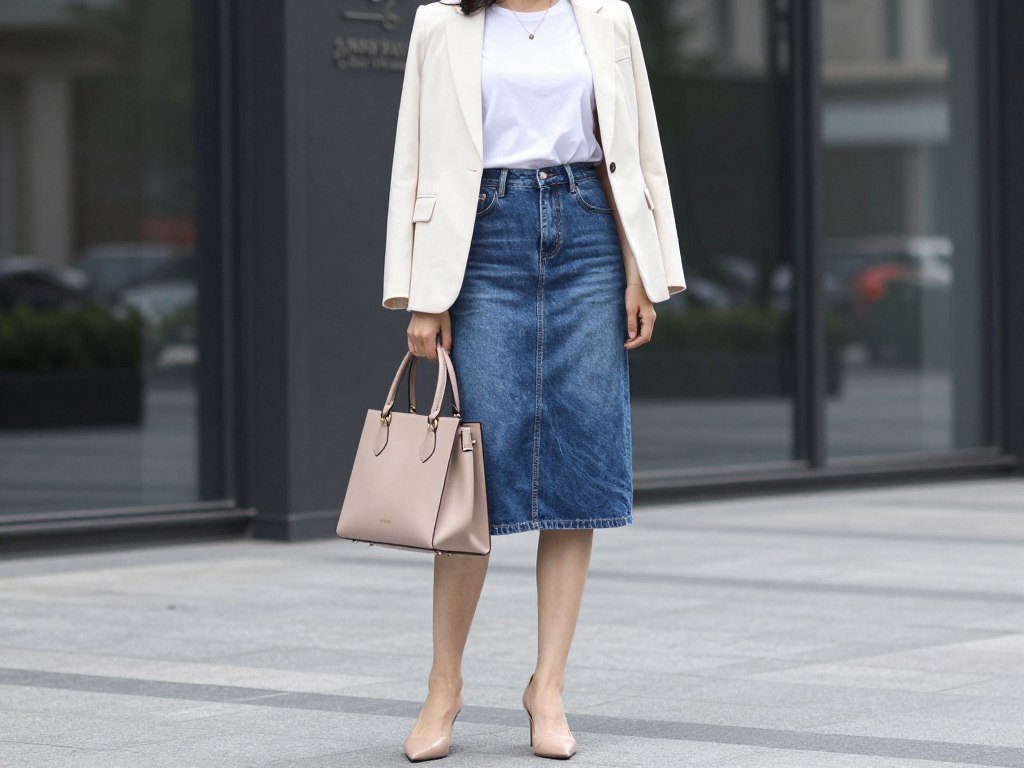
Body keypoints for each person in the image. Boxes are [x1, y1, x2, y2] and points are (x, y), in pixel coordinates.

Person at [380, 0, 686, 759]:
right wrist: (421, 294)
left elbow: (638, 151)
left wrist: (643, 271)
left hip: (588, 234)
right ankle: (443, 685)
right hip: (481, 239)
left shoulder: (607, 17)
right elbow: (412, 158)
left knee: (579, 463)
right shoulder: (441, 22)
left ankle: (547, 688)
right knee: (473, 477)